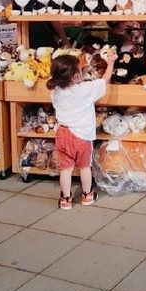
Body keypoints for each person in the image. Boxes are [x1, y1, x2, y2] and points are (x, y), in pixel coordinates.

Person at [47, 51, 116, 210]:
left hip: (63, 134)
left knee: (66, 169)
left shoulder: (55, 91)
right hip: (82, 136)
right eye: (79, 70)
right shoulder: (84, 89)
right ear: (75, 76)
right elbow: (104, 80)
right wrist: (110, 63)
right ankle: (87, 195)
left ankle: (65, 199)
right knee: (85, 167)